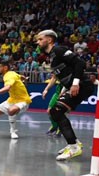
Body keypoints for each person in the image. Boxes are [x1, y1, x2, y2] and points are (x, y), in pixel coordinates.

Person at [36, 29, 95, 160]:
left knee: (56, 111)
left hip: (83, 86)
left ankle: (74, 146)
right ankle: (73, 143)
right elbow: (61, 76)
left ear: (49, 40)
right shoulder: (51, 57)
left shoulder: (59, 50)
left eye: (40, 39)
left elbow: (79, 63)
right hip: (72, 87)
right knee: (54, 111)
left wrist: (75, 83)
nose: (37, 42)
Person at [0, 60, 31, 139]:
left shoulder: (8, 76)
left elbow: (7, 88)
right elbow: (20, 76)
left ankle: (13, 131)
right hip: (12, 100)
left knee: (11, 110)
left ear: (5, 68)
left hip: (23, 101)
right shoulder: (12, 73)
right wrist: (24, 78)